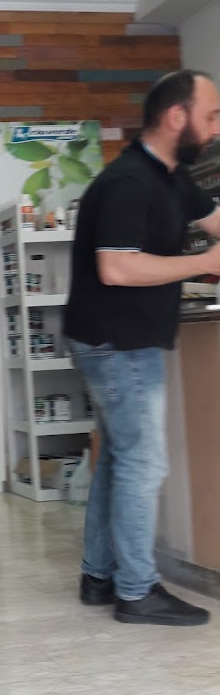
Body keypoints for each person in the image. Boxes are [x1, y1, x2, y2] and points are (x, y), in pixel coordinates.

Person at [64, 69, 220, 626]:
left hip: (121, 338)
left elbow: (216, 221)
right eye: (211, 115)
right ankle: (136, 591)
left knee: (120, 458)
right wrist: (204, 262)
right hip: (115, 342)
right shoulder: (128, 181)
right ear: (177, 117)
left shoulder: (171, 177)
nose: (216, 127)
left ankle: (99, 576)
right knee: (144, 461)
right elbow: (117, 266)